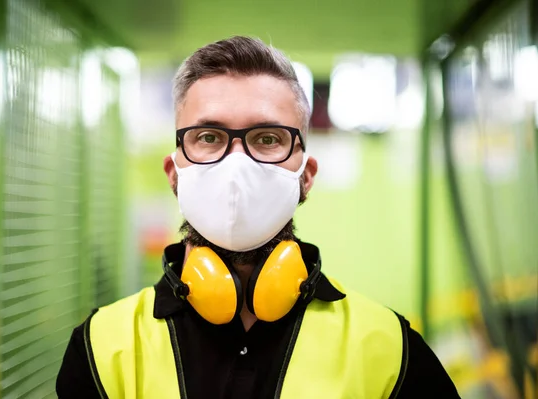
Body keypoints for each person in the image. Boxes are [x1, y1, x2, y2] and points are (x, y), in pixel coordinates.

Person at [56, 36, 460, 399]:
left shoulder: (389, 349)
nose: (237, 166)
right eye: (208, 137)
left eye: (268, 139)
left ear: (306, 176)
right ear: (174, 174)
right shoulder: (102, 349)